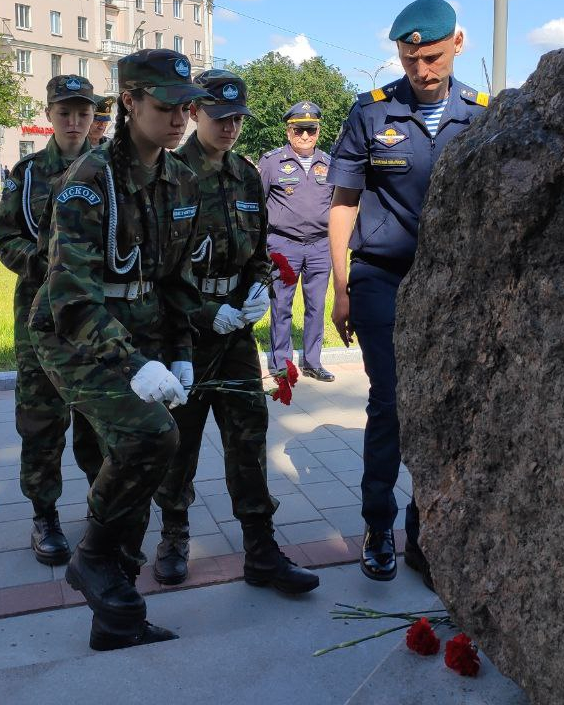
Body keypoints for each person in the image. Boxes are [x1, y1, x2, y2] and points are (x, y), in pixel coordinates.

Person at [28, 49, 208, 651]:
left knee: (142, 453)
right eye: (164, 106)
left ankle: (118, 610)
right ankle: (96, 557)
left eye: (186, 107)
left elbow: (178, 281)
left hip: (143, 334)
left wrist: (179, 351)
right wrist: (136, 365)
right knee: (150, 436)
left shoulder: (180, 179)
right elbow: (71, 297)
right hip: (74, 335)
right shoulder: (88, 182)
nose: (179, 118)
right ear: (128, 103)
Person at [327, 0, 489, 589]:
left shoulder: (483, 115)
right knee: (392, 400)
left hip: (453, 285)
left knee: (443, 405)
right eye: (410, 56)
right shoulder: (371, 113)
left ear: (459, 43)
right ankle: (378, 526)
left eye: (433, 56)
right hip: (380, 278)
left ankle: (426, 528)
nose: (422, 69)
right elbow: (343, 203)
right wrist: (341, 287)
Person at [152, 71, 320, 594]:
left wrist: (254, 289)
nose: (230, 127)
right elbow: (156, 271)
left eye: (238, 119)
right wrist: (205, 315)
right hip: (184, 333)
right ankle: (174, 534)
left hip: (235, 337)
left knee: (248, 437)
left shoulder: (247, 176)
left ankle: (260, 549)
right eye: (220, 118)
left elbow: (256, 247)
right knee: (181, 442)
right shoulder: (168, 174)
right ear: (197, 113)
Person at [0, 75, 105, 565]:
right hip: (39, 320)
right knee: (41, 421)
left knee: (97, 419)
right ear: (49, 114)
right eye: (65, 112)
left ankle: (101, 512)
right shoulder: (29, 173)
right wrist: (53, 266)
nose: (75, 122)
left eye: (84, 113)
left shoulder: (108, 170)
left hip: (94, 320)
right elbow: (5, 240)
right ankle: (45, 516)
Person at [258, 102, 335, 382]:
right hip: (284, 244)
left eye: (310, 129)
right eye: (298, 130)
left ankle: (312, 361)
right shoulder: (272, 162)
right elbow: (258, 205)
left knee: (316, 305)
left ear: (318, 131)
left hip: (319, 246)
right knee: (281, 305)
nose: (305, 136)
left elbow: (338, 205)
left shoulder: (329, 163)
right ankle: (281, 364)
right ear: (288, 131)